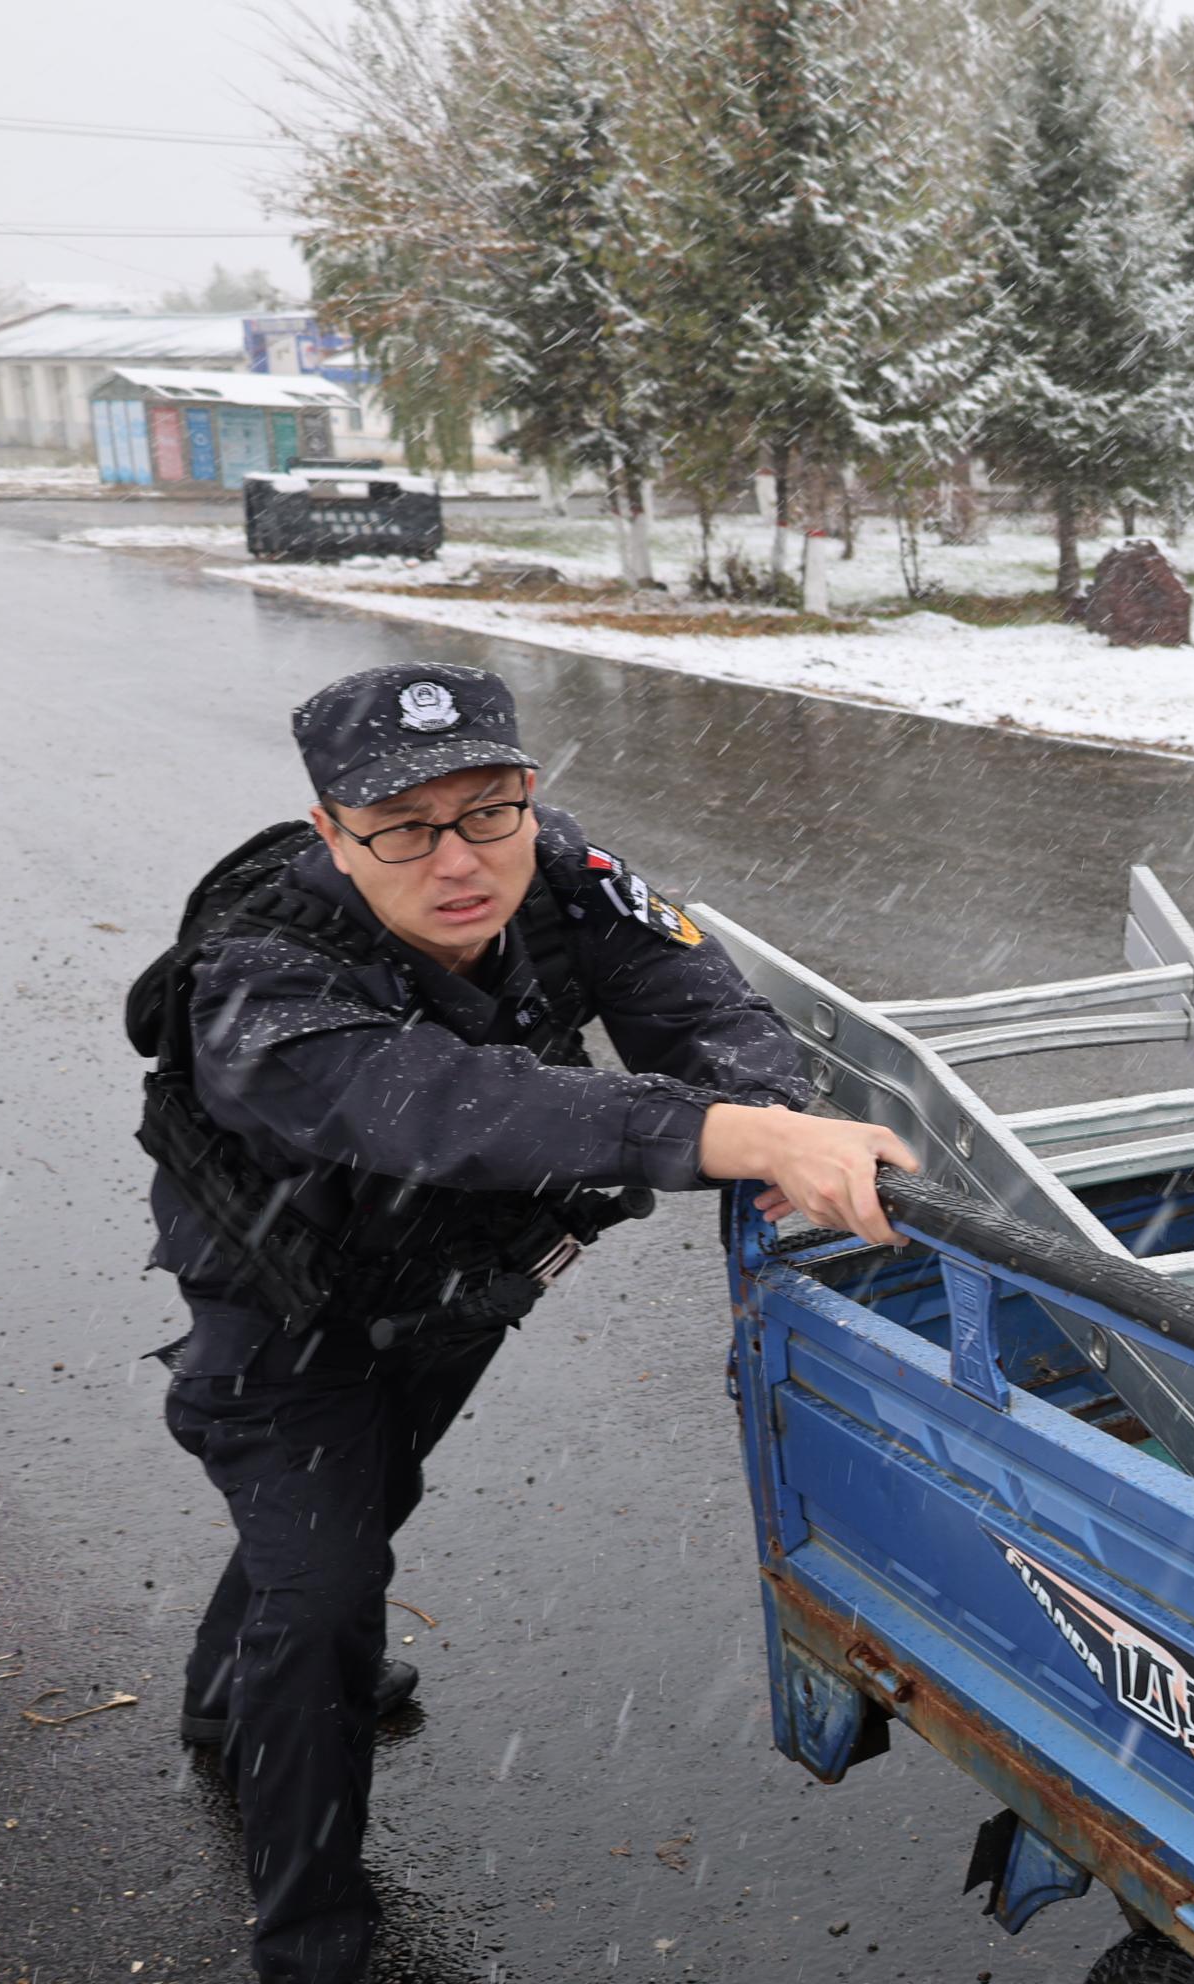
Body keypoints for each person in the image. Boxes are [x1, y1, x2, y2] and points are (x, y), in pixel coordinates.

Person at [139, 662, 907, 1984]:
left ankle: (227, 1699)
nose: (460, 860)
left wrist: (771, 1114)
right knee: (323, 1599)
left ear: (527, 795)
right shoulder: (261, 971)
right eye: (404, 828)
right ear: (332, 831)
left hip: (455, 1284)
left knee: (361, 1499)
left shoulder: (553, 868)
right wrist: (720, 1133)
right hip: (280, 1310)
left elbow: (699, 1001)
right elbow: (441, 1105)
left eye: (489, 811)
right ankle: (312, 1941)